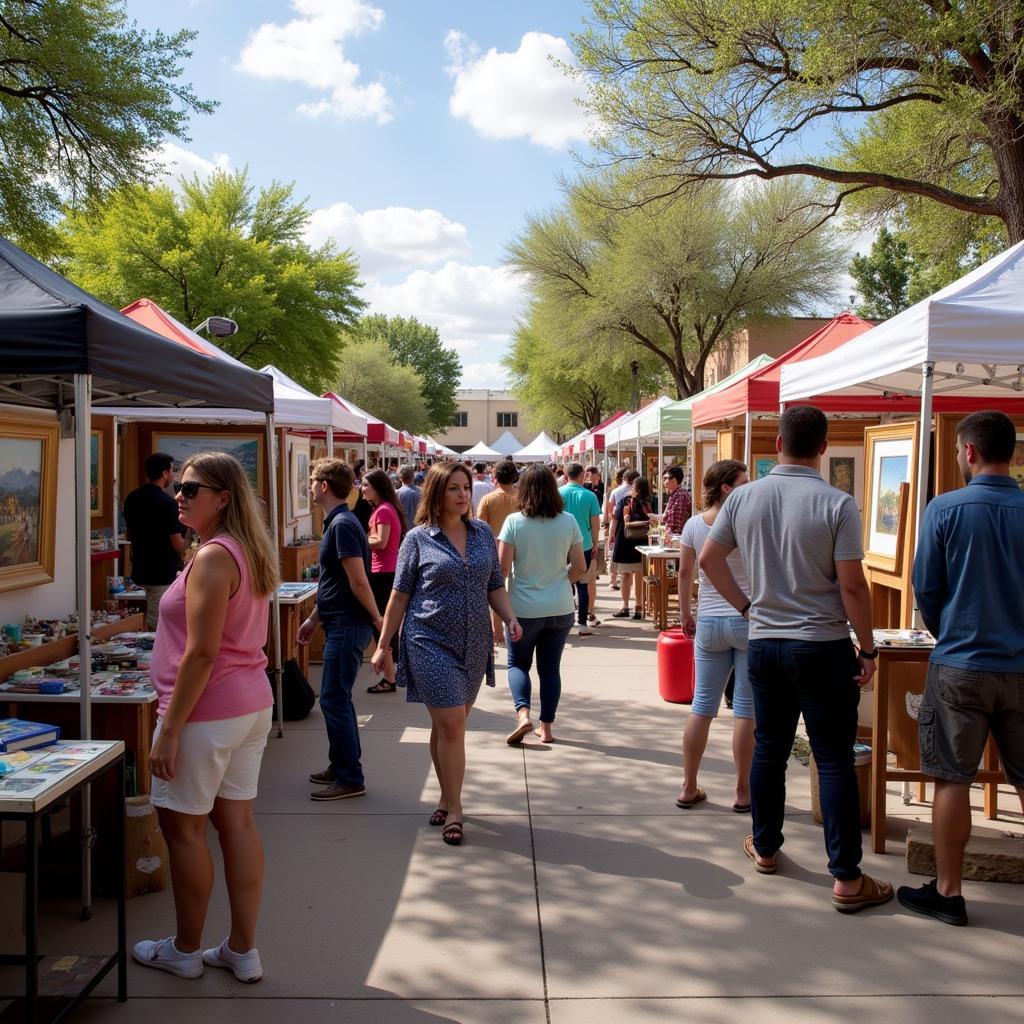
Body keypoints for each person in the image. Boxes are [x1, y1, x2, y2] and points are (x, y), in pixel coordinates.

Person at [700, 405, 892, 913]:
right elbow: (852, 583)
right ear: (824, 448)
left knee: (770, 748)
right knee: (832, 758)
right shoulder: (838, 503)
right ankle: (846, 879)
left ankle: (765, 847)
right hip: (823, 646)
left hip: (766, 642)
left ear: (777, 443)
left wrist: (746, 606)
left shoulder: (743, 497)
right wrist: (868, 648)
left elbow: (708, 560)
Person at [133, 451, 279, 983]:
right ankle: (241, 950)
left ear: (223, 497)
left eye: (191, 488)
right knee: (236, 825)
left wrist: (168, 729)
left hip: (206, 712)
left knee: (185, 832)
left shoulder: (215, 557)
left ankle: (186, 949)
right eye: (181, 486)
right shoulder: (242, 550)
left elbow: (201, 653)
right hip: (246, 706)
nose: (180, 494)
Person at [899, 410, 1024, 927]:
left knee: (952, 778)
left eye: (956, 452)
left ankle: (949, 892)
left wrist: (949, 625)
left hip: (960, 663)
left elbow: (925, 586)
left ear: (969, 451)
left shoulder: (944, 509)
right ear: (1011, 454)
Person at [372, 463, 522, 846]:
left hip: (473, 644)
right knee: (454, 725)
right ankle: (456, 809)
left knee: (446, 728)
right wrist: (384, 642)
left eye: (466, 487)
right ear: (436, 493)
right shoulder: (418, 540)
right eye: (453, 488)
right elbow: (400, 594)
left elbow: (494, 584)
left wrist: (509, 618)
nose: (462, 495)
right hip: (427, 639)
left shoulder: (483, 533)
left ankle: (444, 795)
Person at [298, 459, 381, 801]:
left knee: (333, 698)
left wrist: (378, 620)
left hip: (349, 624)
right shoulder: (339, 522)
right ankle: (341, 765)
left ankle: (349, 776)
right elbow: (334, 582)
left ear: (324, 486)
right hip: (339, 621)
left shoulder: (343, 524)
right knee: (337, 698)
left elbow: (358, 580)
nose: (309, 486)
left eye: (313, 480)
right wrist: (314, 618)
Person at [675, 460, 752, 811]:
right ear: (726, 487)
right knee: (746, 712)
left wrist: (685, 614)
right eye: (743, 481)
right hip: (747, 618)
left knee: (703, 706)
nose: (748, 486)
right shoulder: (748, 522)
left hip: (709, 620)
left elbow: (685, 574)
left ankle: (688, 785)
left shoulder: (694, 525)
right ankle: (741, 790)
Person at [499, 465, 586, 744]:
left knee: (517, 664)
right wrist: (563, 581)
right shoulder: (569, 521)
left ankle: (523, 713)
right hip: (560, 607)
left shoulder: (514, 522)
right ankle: (546, 728)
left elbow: (501, 570)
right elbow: (580, 566)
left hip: (523, 609)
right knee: (550, 669)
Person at [123, 452, 187, 629]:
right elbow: (177, 542)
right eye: (172, 471)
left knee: (146, 615)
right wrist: (189, 546)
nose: (173, 475)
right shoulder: (168, 503)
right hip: (161, 571)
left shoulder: (132, 498)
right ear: (165, 473)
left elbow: (129, 534)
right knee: (158, 622)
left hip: (139, 567)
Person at [361, 468, 409, 694]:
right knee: (383, 626)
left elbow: (381, 541)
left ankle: (390, 677)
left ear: (377, 487)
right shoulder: (387, 508)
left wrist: (360, 540)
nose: (361, 489)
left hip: (383, 573)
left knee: (381, 626)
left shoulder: (383, 510)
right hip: (386, 571)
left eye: (365, 485)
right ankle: (390, 675)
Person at [475, 460, 520, 645]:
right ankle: (515, 624)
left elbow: (479, 527)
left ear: (495, 477)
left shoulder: (488, 499)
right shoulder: (522, 498)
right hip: (519, 549)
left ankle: (498, 633)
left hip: (493, 550)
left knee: (495, 590)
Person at [559, 463, 602, 637]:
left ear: (566, 474)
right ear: (582, 475)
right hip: (584, 544)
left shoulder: (558, 493)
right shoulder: (590, 495)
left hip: (561, 544)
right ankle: (582, 623)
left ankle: (565, 620)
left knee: (563, 583)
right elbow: (595, 523)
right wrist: (595, 543)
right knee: (583, 584)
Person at [608, 475, 652, 620]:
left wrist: (611, 537)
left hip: (624, 540)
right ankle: (638, 607)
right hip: (643, 542)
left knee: (626, 576)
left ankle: (625, 606)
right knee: (640, 575)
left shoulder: (625, 500)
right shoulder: (649, 501)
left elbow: (615, 519)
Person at [605, 468, 636, 591]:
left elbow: (610, 510)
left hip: (617, 524)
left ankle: (613, 580)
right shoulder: (635, 491)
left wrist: (609, 527)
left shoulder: (615, 491)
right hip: (633, 527)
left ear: (624, 479)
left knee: (614, 554)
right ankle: (630, 581)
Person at [659, 465, 692, 537]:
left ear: (674, 480)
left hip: (676, 539)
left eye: (665, 478)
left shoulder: (680, 496)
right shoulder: (676, 494)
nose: (663, 481)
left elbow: (676, 525)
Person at [348, 459, 373, 532]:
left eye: (367, 468)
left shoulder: (364, 483)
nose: (365, 471)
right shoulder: (355, 484)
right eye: (362, 469)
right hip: (358, 517)